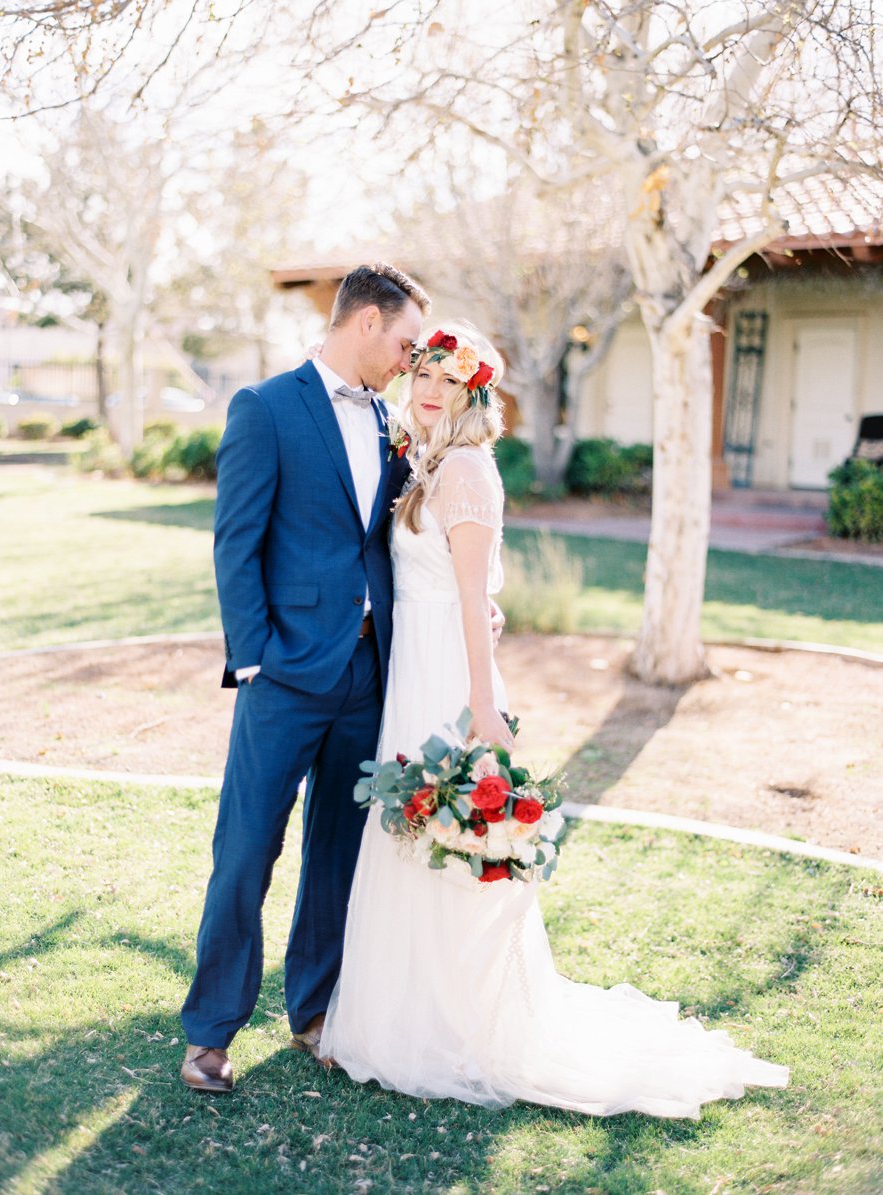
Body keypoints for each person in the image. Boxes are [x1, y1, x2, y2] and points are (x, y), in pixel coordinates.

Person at [320, 320, 790, 1117]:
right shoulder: (426, 460)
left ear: (474, 395)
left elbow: (472, 597)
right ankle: (405, 1014)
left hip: (450, 677)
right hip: (416, 669)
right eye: (422, 376)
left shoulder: (465, 469)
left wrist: (480, 699)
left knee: (445, 840)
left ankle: (456, 1028)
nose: (428, 390)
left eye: (447, 381)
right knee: (408, 840)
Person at [179, 263, 430, 1093]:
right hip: (283, 674)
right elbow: (234, 540)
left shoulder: (393, 418)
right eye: (402, 340)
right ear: (364, 322)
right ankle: (211, 1029)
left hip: (367, 671)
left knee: (338, 852)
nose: (408, 356)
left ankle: (314, 1010)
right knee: (246, 848)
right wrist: (254, 659)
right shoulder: (266, 408)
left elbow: (388, 541)